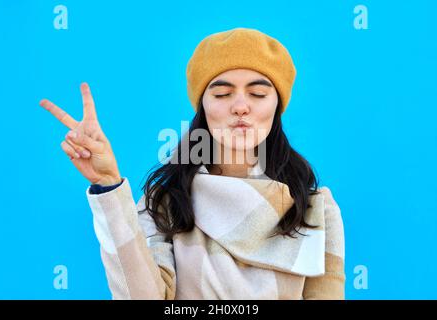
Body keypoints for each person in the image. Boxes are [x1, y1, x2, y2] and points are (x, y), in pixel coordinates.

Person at [39, 27, 345, 300]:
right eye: (222, 93)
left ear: (277, 106)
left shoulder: (314, 208)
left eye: (258, 93)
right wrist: (108, 185)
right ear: (203, 107)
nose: (240, 106)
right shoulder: (166, 201)